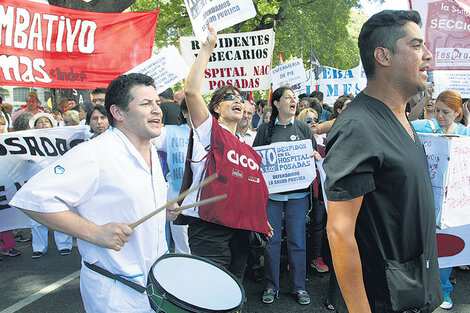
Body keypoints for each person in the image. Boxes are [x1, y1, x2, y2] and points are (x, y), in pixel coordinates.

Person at [10, 73, 179, 312]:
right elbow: (32, 199)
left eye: (157, 103)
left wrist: (162, 207)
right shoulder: (95, 153)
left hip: (155, 286)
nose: (157, 111)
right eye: (145, 104)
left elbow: (125, 201)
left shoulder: (150, 150)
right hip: (116, 292)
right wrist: (94, 232)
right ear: (118, 113)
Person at [323, 10, 442, 313]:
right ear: (383, 56)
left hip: (415, 293)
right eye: (416, 46)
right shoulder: (358, 126)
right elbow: (339, 231)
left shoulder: (401, 118)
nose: (428, 55)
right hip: (383, 301)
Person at [181, 24, 271, 282]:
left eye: (241, 99)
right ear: (216, 108)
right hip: (210, 228)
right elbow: (191, 91)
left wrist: (259, 218)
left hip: (241, 229)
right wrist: (208, 47)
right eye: (230, 97)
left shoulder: (247, 148)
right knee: (211, 291)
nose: (239, 101)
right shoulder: (209, 130)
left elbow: (252, 188)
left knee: (234, 290)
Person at [254, 87, 318, 306]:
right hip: (272, 197)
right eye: (288, 98)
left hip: (298, 196)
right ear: (277, 104)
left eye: (295, 98)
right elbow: (256, 161)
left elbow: (314, 155)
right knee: (271, 242)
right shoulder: (263, 130)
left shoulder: (303, 128)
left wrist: (315, 156)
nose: (294, 101)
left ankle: (299, 287)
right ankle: (271, 286)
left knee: (297, 241)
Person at [411, 90, 468, 310]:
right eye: (436, 111)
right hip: (425, 196)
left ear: (457, 112)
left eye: (445, 112)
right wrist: (424, 100)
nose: (440, 116)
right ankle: (420, 290)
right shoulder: (426, 127)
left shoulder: (465, 133)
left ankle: (444, 290)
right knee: (423, 245)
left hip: (454, 201)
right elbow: (406, 122)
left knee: (446, 247)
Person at [26, 113, 73, 258]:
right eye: (40, 122)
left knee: (60, 212)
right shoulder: (27, 140)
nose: (44, 124)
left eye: (47, 121)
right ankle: (39, 247)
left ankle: (64, 244)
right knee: (36, 215)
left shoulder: (60, 139)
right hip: (36, 182)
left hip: (56, 181)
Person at [154, 99, 191, 254]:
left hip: (203, 196)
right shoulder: (170, 133)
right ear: (184, 113)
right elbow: (146, 139)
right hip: (177, 196)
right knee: (183, 246)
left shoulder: (211, 133)